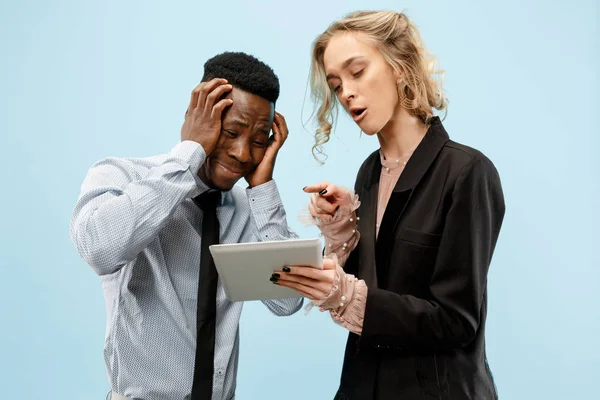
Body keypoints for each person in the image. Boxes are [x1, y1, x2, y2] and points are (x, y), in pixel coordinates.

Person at [273, 11, 505, 399]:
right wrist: (344, 228)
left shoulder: (467, 172)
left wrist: (345, 294)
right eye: (336, 84)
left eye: (357, 71)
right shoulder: (369, 173)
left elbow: (456, 320)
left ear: (399, 66)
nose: (346, 92)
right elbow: (384, 286)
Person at [70, 52, 303, 400]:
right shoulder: (122, 177)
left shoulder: (247, 209)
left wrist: (263, 189)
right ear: (199, 117)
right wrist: (188, 152)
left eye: (258, 140)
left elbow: (287, 301)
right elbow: (99, 250)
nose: (243, 153)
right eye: (230, 132)